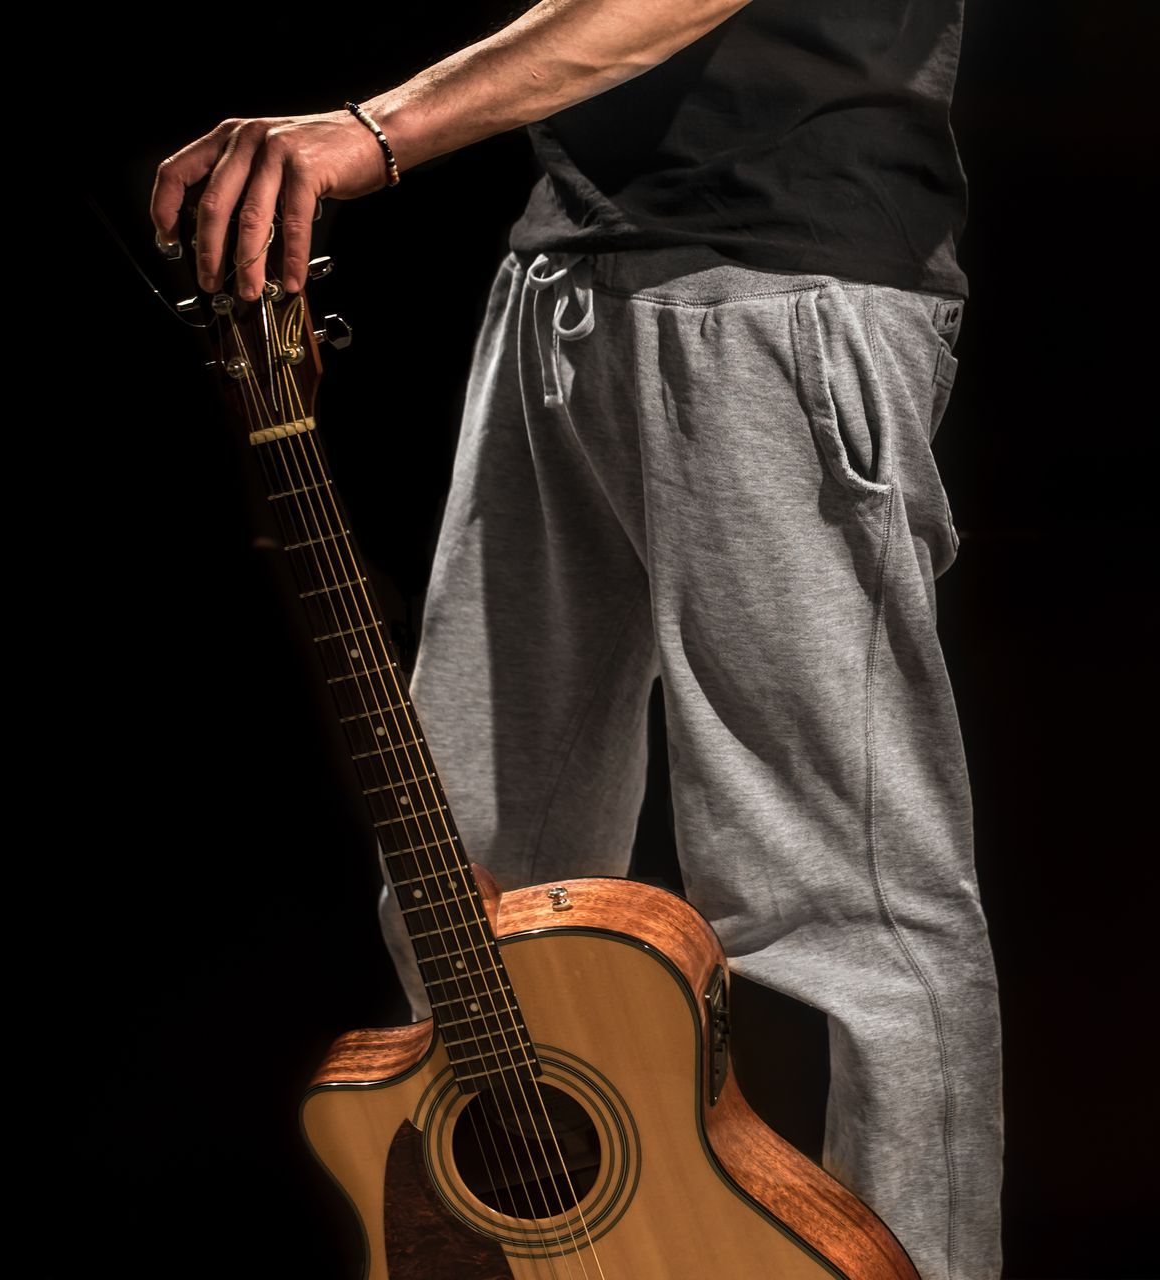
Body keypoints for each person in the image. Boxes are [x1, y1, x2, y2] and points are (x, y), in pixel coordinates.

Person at [149, 2, 1002, 1277]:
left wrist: (375, 132)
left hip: (777, 283)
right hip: (560, 279)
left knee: (842, 914)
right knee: (465, 879)